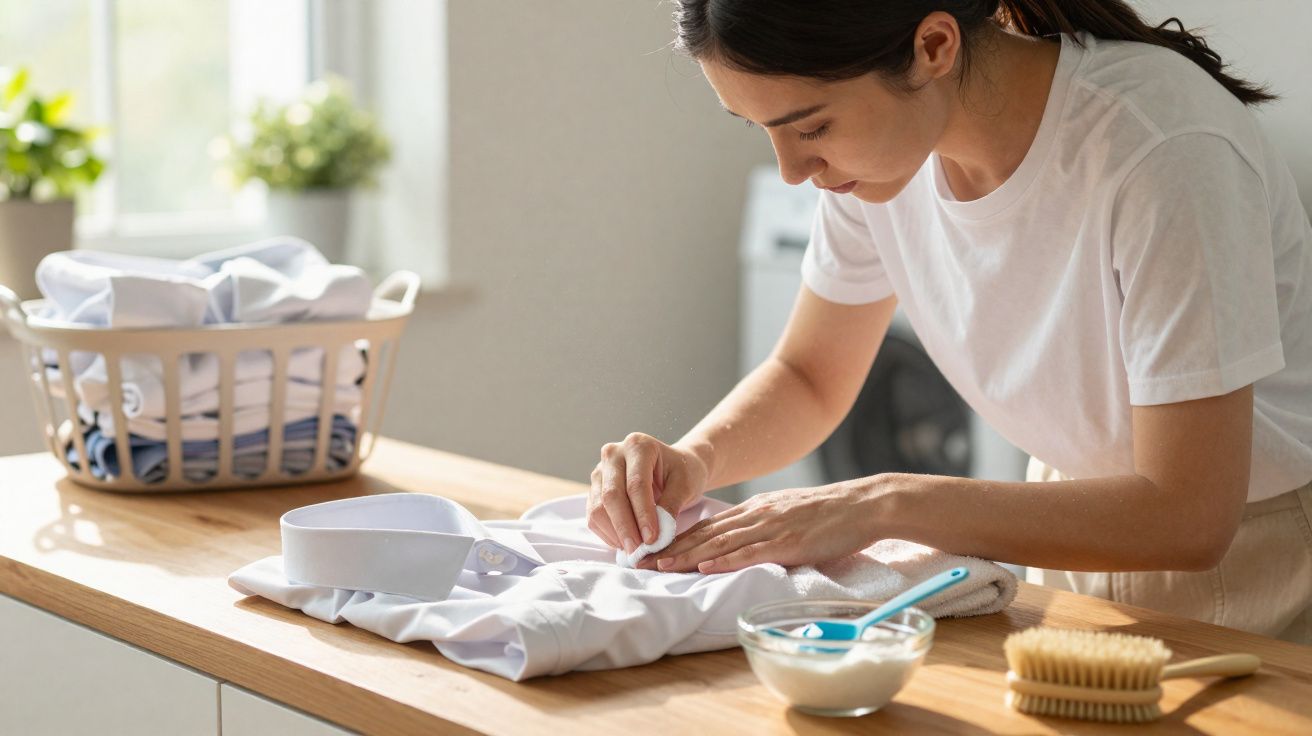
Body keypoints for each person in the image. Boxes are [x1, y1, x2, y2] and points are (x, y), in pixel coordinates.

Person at [587, 0, 1312, 644]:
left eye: (811, 126)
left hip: (1261, 553)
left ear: (934, 46)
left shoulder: (1162, 149)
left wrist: (882, 503)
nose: (792, 170)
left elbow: (1188, 516)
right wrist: (694, 460)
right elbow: (810, 376)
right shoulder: (877, 166)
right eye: (762, 129)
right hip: (1077, 519)